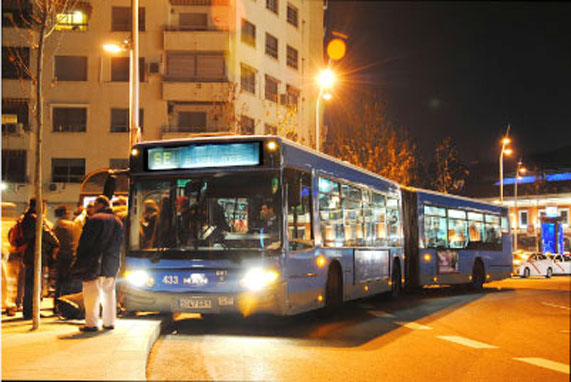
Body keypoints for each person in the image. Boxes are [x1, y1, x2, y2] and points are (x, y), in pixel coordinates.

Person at [74, 195, 123, 332]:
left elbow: (85, 243)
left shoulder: (94, 220)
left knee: (91, 294)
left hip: (93, 262)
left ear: (98, 205)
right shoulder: (118, 221)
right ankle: (109, 322)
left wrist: (80, 258)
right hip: (111, 263)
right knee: (109, 293)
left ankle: (92, 323)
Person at [20, 198, 60, 320]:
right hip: (35, 255)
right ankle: (31, 311)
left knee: (31, 284)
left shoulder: (27, 218)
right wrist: (56, 242)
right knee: (34, 284)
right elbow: (45, 233)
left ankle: (30, 310)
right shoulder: (34, 219)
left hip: (31, 255)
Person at [52, 205, 79, 314]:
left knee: (59, 282)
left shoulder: (56, 226)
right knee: (68, 283)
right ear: (65, 213)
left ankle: (56, 305)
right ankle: (64, 305)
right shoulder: (71, 226)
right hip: (69, 257)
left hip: (59, 257)